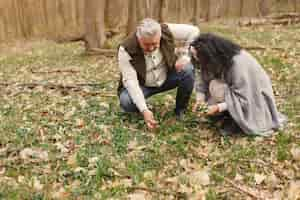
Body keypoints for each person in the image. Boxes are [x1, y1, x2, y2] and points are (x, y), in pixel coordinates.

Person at [190, 33, 287, 136]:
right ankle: (229, 113)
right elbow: (202, 78)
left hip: (255, 99)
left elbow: (246, 97)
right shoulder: (214, 60)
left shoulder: (237, 63)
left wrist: (218, 107)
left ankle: (234, 119)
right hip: (232, 92)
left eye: (198, 56)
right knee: (212, 93)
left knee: (215, 86)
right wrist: (200, 100)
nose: (196, 59)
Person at [117, 18, 200, 129]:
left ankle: (180, 111)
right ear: (138, 37)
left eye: (155, 44)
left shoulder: (166, 30)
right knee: (126, 101)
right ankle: (142, 107)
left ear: (160, 35)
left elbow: (194, 31)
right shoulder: (126, 49)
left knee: (188, 69)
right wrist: (144, 110)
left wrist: (186, 56)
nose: (151, 48)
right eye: (146, 45)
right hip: (142, 85)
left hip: (167, 77)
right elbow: (131, 82)